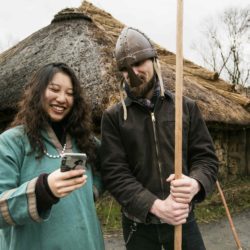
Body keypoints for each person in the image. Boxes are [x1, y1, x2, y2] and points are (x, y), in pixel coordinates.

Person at [100, 27, 219, 250]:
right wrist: (154, 205)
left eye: (138, 64)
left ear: (154, 61)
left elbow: (206, 159)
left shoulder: (185, 107)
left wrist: (195, 183)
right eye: (125, 69)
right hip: (139, 228)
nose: (132, 73)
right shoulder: (113, 117)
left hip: (183, 222)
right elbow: (115, 173)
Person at [0, 63, 105, 250]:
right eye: (54, 89)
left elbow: (111, 164)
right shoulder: (11, 143)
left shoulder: (84, 140)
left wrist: (91, 192)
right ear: (38, 92)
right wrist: (44, 190)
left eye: (70, 93)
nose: (62, 98)